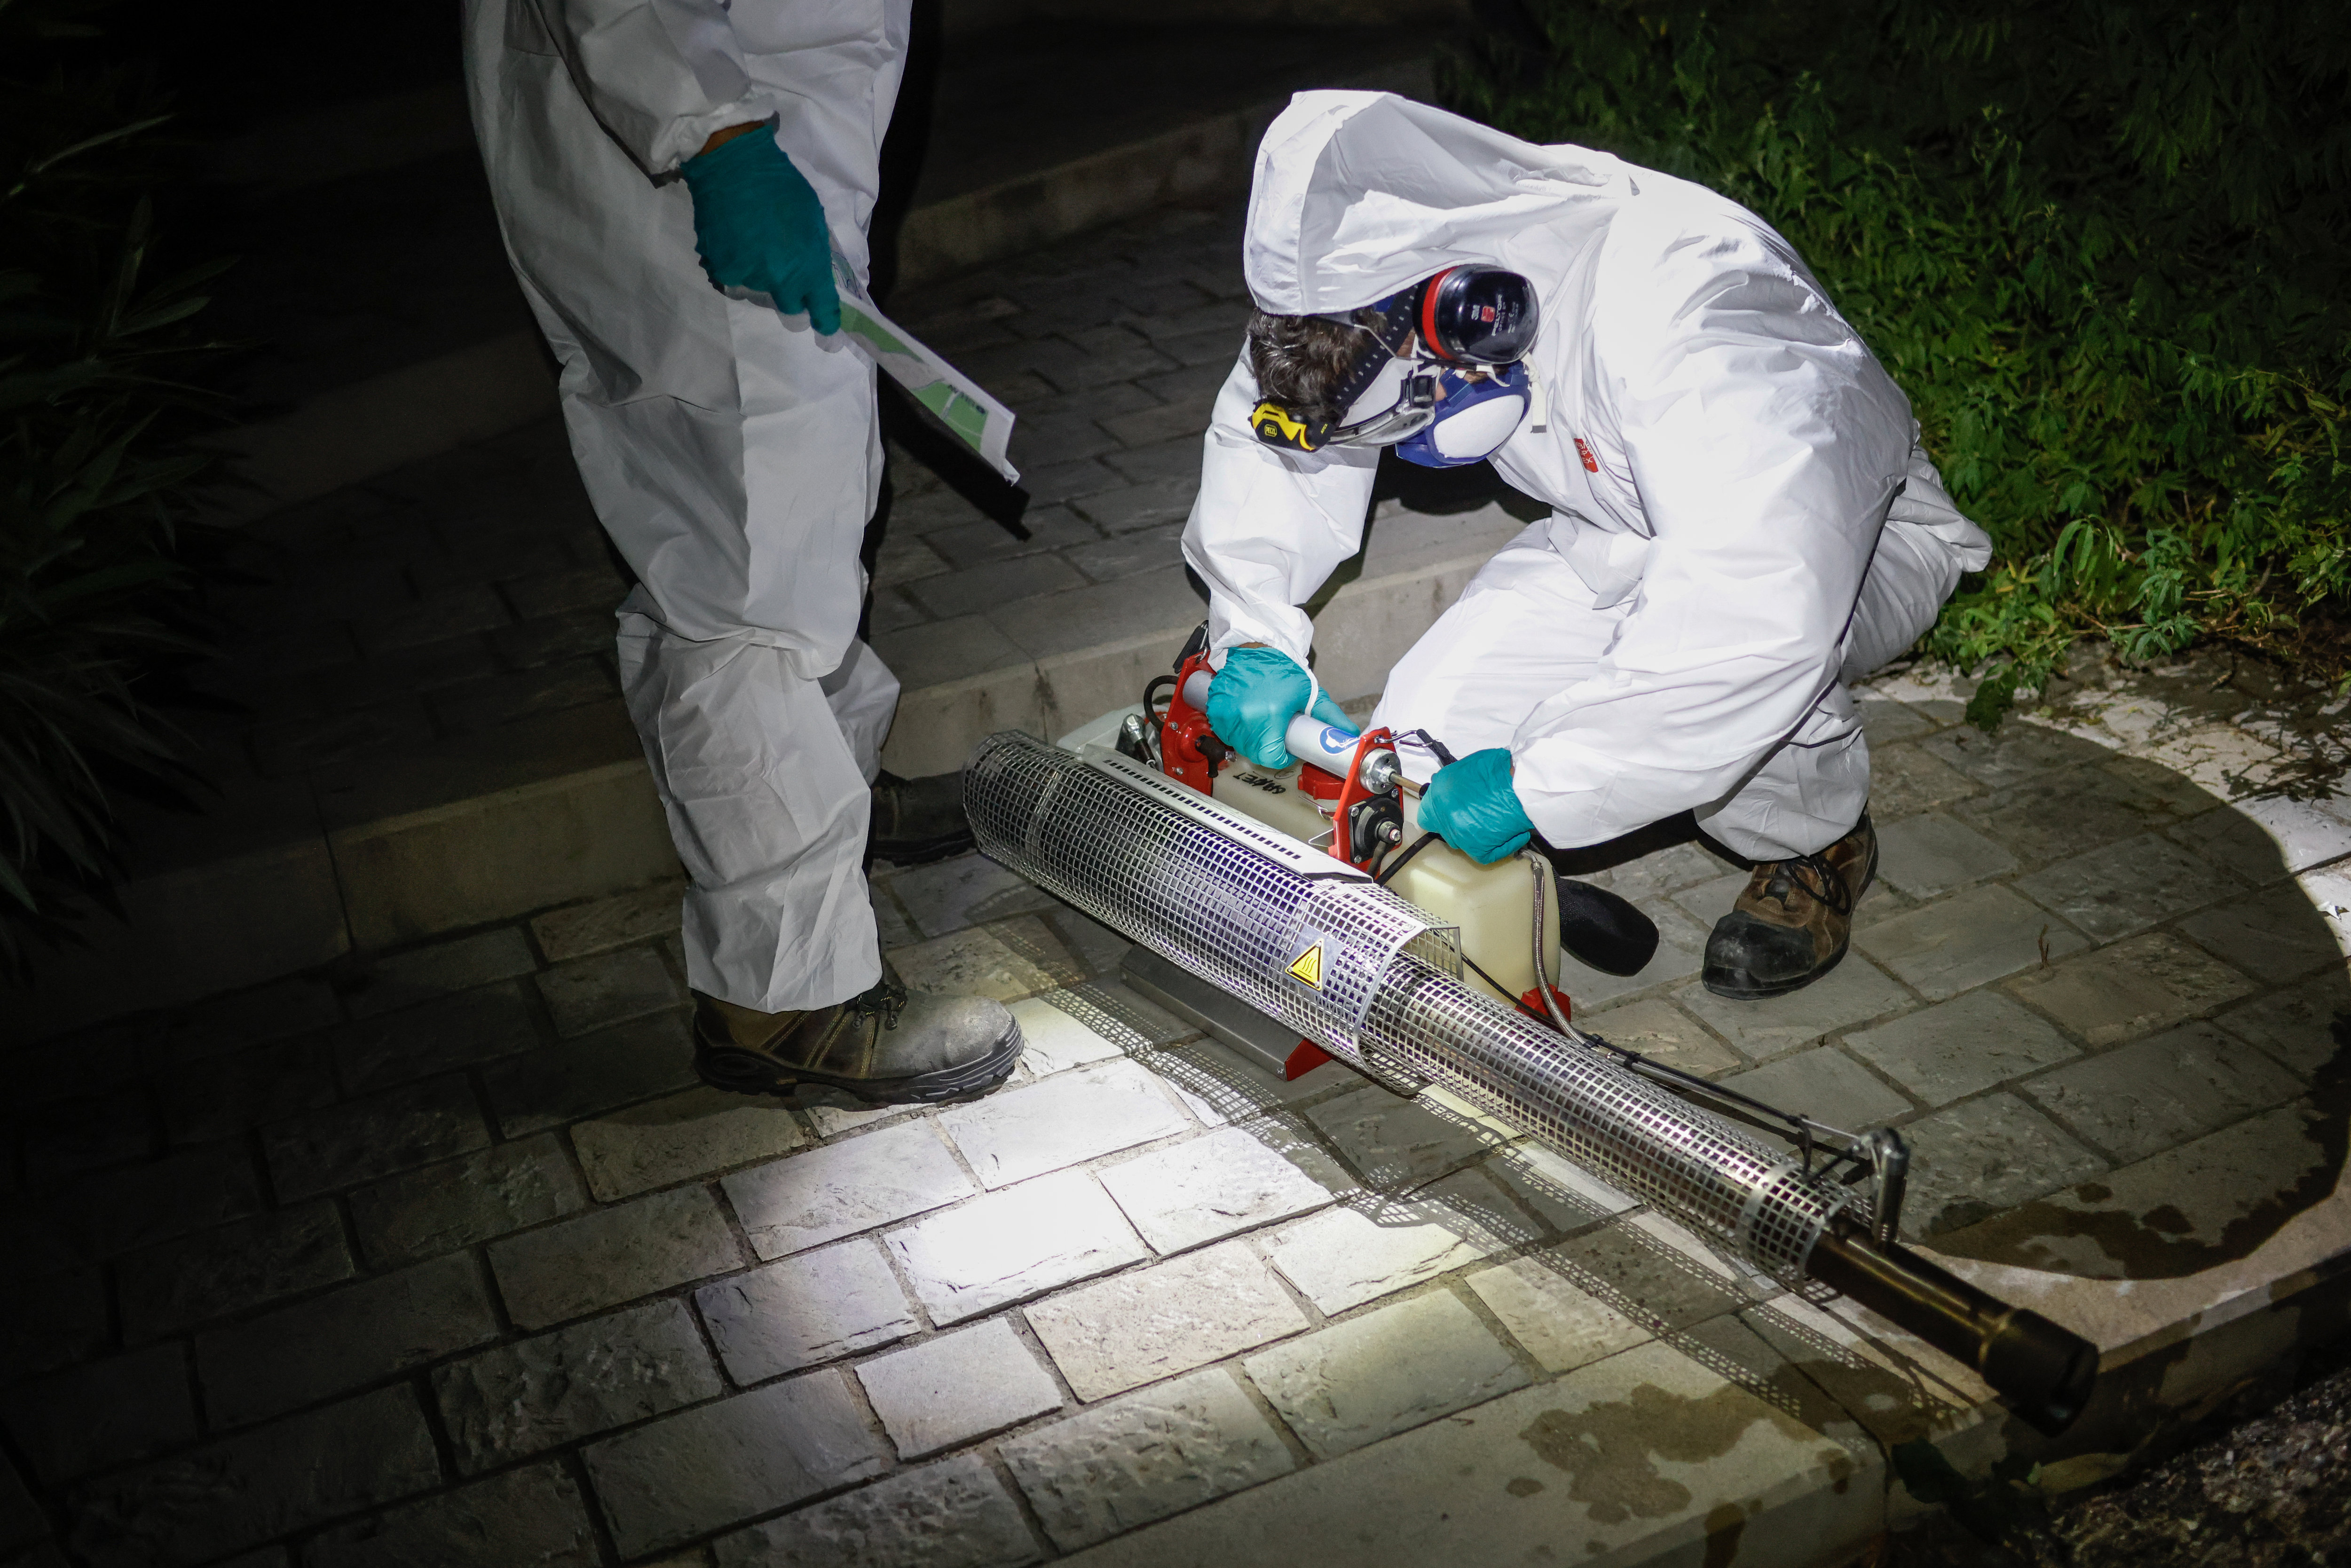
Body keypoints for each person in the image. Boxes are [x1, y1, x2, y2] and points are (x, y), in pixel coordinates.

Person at [1186, 92, 1992, 1000]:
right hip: (1624, 532)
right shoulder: (1360, 291)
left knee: (1734, 711)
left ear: (1469, 312)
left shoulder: (1694, 309)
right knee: (1417, 740)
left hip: (1850, 553)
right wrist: (1251, 626)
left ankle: (1819, 842)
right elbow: (1279, 434)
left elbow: (1757, 610)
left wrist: (1548, 784)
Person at [463, 0, 1021, 1100]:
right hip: (703, 130)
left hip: (774, 120)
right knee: (744, 566)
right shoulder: (711, 134)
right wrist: (713, 133)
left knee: (803, 503)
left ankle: (827, 791)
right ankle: (784, 996)